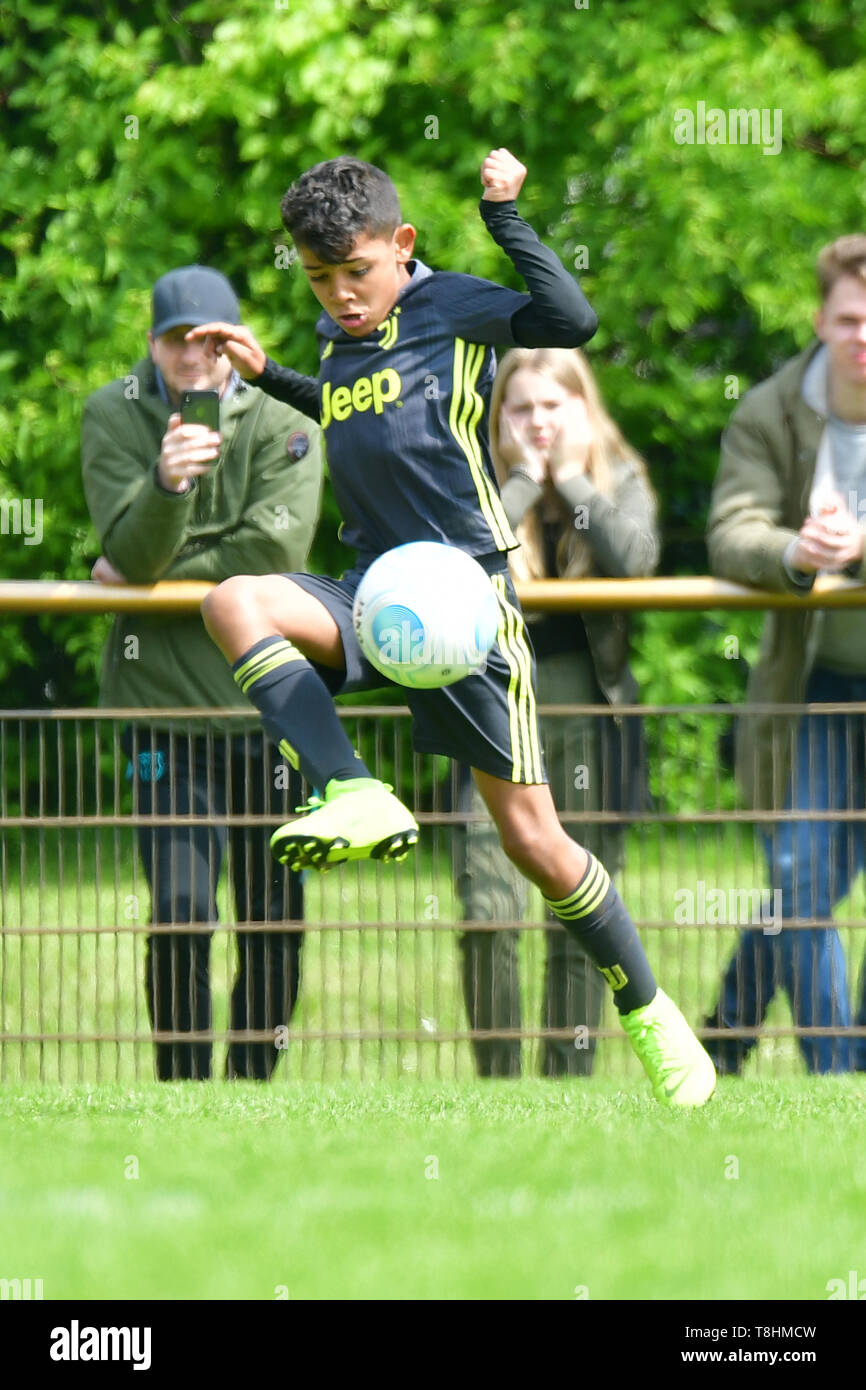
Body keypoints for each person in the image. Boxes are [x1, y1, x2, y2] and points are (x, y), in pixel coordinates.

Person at [188, 147, 715, 1105]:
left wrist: (506, 215)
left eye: (358, 272)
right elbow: (353, 412)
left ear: (403, 245)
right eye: (319, 277)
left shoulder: (451, 306)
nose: (342, 295)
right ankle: (352, 790)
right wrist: (274, 376)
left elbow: (572, 319)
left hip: (466, 602)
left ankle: (649, 1015)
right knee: (234, 600)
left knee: (535, 845)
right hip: (373, 588)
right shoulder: (342, 338)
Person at [82, 265, 323, 1080]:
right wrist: (167, 483)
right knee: (182, 909)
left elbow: (274, 554)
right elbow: (133, 550)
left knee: (273, 915)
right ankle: (182, 1089)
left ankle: (252, 1083)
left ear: (237, 341)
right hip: (162, 714)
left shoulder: (290, 417)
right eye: (176, 338)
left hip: (270, 706)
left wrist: (151, 569)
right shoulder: (111, 413)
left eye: (209, 337)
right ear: (151, 343)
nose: (193, 353)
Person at [454, 346, 659, 1077]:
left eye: (553, 406)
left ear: (581, 408)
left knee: (579, 914)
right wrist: (516, 485)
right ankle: (501, 1086)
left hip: (588, 718)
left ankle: (565, 1087)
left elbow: (634, 558)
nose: (538, 422)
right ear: (497, 416)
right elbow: (458, 560)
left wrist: (569, 481)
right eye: (522, 408)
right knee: (487, 909)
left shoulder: (616, 476)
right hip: (493, 711)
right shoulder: (478, 479)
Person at [703, 233, 866, 1074]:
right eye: (850, 319)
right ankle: (839, 1079)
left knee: (804, 884)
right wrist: (797, 552)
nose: (863, 336)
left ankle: (730, 1024)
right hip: (818, 684)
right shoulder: (769, 409)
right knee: (802, 873)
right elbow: (732, 532)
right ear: (822, 318)